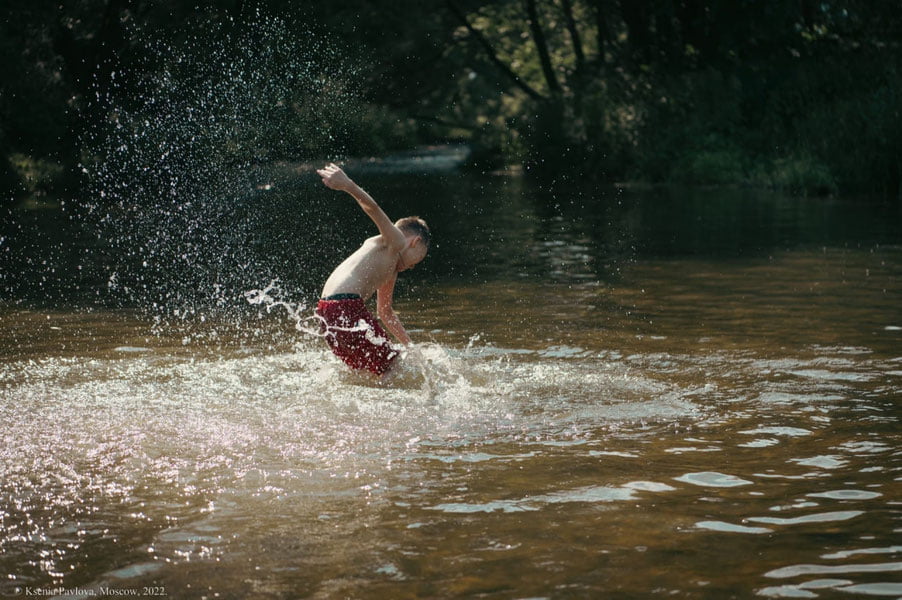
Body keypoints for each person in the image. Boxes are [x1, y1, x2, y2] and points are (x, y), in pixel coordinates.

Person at [314, 163, 430, 376]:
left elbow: (385, 312)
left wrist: (411, 347)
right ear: (414, 242)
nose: (412, 267)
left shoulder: (389, 270)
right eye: (417, 260)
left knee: (370, 369)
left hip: (326, 311)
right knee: (390, 365)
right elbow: (373, 208)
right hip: (344, 306)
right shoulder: (395, 241)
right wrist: (348, 185)